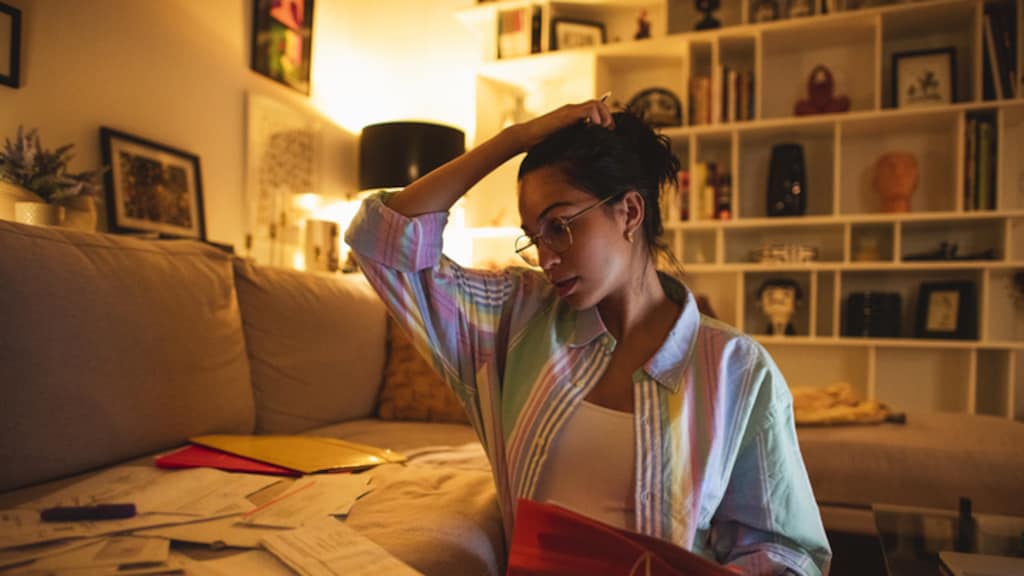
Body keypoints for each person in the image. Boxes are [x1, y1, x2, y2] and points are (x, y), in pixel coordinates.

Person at [345, 99, 832, 575]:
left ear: (630, 212)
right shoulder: (514, 320)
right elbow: (383, 242)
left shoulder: (736, 369)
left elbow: (788, 550)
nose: (545, 256)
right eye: (534, 236)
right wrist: (513, 141)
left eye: (559, 226)